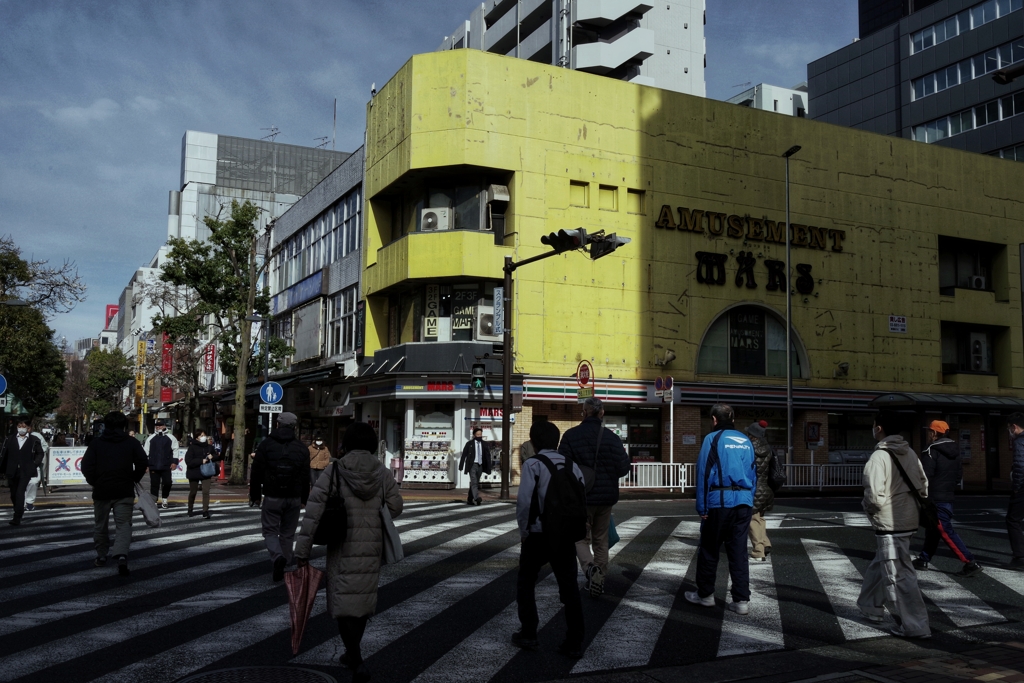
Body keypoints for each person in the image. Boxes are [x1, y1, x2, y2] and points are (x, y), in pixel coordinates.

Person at [294, 422, 403, 683]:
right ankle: (353, 655)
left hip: (341, 543)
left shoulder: (335, 470)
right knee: (362, 601)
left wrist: (302, 552)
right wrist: (375, 513)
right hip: (371, 544)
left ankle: (356, 658)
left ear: (348, 444)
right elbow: (396, 506)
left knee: (343, 602)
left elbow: (313, 511)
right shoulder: (382, 472)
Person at [514, 421, 586, 658]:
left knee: (526, 582)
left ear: (533, 442)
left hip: (538, 533)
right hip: (564, 535)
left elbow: (524, 502)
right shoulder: (572, 466)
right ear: (556, 441)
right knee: (569, 587)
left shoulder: (532, 464)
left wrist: (524, 532)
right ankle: (574, 641)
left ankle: (529, 633)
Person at [857, 410, 931, 638]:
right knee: (882, 564)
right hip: (908, 520)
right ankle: (871, 607)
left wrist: (868, 509)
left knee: (898, 575)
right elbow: (923, 486)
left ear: (879, 428)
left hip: (890, 524)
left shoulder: (879, 457)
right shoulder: (909, 453)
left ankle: (916, 626)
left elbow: (874, 496)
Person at [685, 403, 757, 615]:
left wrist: (702, 506)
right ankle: (741, 600)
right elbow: (754, 474)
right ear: (732, 418)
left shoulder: (712, 438)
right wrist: (749, 500)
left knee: (709, 549)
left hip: (719, 502)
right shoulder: (746, 440)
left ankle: (706, 595)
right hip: (744, 503)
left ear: (714, 420)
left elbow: (704, 473)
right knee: (738, 552)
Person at [558, 396, 630, 597]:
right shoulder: (611, 437)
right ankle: (600, 580)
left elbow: (563, 467)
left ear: (584, 412)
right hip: (606, 498)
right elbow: (624, 467)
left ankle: (590, 569)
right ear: (602, 413)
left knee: (580, 538)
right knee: (601, 540)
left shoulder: (571, 436)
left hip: (581, 497)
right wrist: (608, 474)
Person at [81, 411, 148, 575]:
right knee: (124, 524)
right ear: (124, 426)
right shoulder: (131, 443)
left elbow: (86, 465)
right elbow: (142, 463)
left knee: (100, 524)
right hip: (124, 489)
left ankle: (102, 555)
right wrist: (133, 478)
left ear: (106, 425)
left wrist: (94, 481)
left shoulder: (97, 443)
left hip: (102, 490)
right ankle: (122, 555)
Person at [913, 420, 982, 576]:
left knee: (944, 529)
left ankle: (970, 562)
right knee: (933, 529)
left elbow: (925, 476)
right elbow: (958, 476)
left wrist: (920, 493)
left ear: (935, 433)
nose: (929, 434)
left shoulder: (930, 450)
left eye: (930, 431)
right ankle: (923, 559)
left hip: (934, 497)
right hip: (948, 495)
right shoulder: (955, 450)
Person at [250, 412, 311, 581]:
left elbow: (256, 472)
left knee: (270, 530)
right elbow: (306, 476)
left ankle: (277, 557)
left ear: (277, 425)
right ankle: (285, 563)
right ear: (294, 427)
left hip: (272, 494)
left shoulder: (266, 445)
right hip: (294, 496)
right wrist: (304, 498)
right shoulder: (301, 448)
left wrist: (255, 495)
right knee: (288, 533)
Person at [0, 417, 46, 525]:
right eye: (19, 426)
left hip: (26, 471)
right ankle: (18, 509)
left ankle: (17, 516)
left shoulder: (34, 440)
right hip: (12, 470)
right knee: (13, 494)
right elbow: (4, 453)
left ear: (28, 428)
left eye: (24, 427)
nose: (21, 429)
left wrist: (34, 464)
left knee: (20, 492)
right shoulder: (10, 439)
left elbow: (40, 453)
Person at [747, 420, 774, 562]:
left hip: (754, 488)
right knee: (760, 518)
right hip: (766, 488)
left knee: (752, 519)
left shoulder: (749, 448)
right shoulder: (768, 448)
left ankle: (758, 551)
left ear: (752, 435)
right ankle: (765, 543)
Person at [184, 428, 222, 519]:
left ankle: (205, 510)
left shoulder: (209, 447)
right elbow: (188, 461)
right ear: (197, 438)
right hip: (194, 472)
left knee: (206, 492)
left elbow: (217, 457)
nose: (203, 437)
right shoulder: (192, 447)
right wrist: (201, 461)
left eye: (204, 435)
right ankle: (190, 508)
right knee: (193, 492)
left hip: (206, 472)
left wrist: (212, 457)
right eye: (201, 436)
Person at [144, 419, 180, 509]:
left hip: (166, 465)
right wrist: (145, 464)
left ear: (164, 426)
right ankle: (154, 500)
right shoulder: (150, 438)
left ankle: (164, 498)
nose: (158, 427)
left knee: (167, 483)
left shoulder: (171, 437)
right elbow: (145, 451)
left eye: (160, 425)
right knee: (154, 484)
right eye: (157, 425)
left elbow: (175, 450)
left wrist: (174, 462)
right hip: (153, 465)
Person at [1007, 412, 1024, 569]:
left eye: (1009, 428)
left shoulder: (1020, 441)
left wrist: (1017, 488)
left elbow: (1020, 466)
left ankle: (1019, 557)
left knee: (1012, 520)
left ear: (1014, 427)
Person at [459, 427, 492, 506]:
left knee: (475, 482)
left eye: (480, 434)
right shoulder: (469, 444)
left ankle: (469, 499)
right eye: (477, 434)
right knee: (474, 481)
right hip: (472, 465)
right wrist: (461, 465)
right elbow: (464, 455)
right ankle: (476, 498)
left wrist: (489, 466)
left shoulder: (484, 444)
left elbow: (487, 456)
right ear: (474, 435)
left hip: (480, 465)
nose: (479, 436)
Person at [24, 425, 50, 512]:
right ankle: (21, 502)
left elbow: (45, 447)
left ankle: (29, 502)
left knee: (34, 482)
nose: (23, 429)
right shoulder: (14, 437)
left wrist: (37, 459)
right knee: (21, 483)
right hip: (20, 465)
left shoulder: (37, 436)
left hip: (34, 464)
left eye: (25, 427)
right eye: (20, 426)